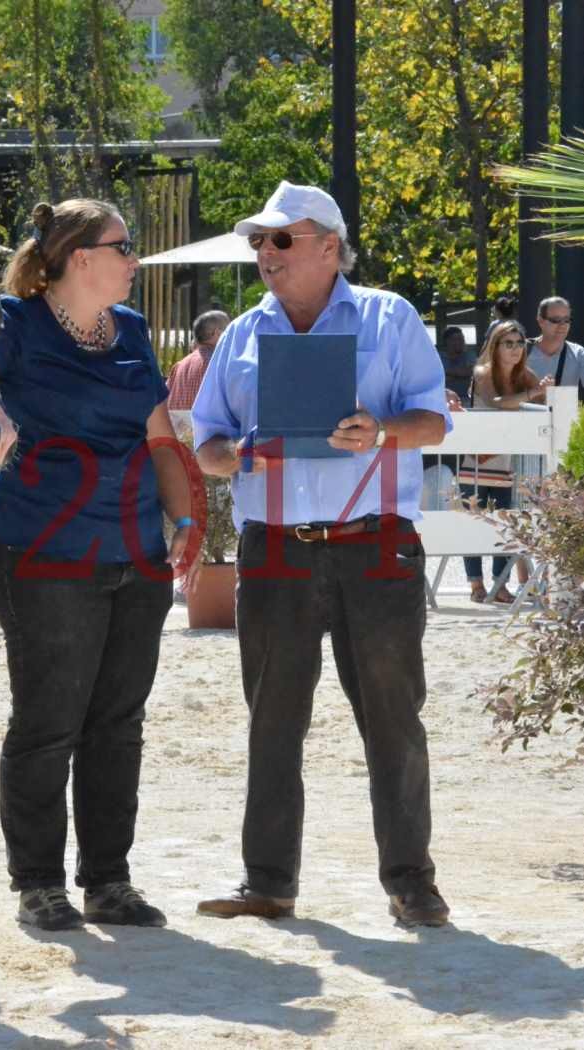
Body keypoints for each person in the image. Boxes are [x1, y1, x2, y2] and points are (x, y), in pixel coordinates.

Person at [191, 181, 454, 927]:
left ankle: (412, 883)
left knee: (392, 718)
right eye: (256, 242)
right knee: (271, 720)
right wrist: (235, 455)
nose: (263, 254)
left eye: (279, 239)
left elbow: (432, 421)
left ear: (329, 246)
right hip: (272, 550)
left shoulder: (389, 315)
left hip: (375, 545)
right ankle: (267, 883)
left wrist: (380, 430)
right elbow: (204, 443)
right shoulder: (240, 334)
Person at [0, 200, 194, 932]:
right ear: (80, 258)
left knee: (117, 723)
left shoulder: (130, 330)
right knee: (48, 721)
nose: (135, 260)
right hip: (40, 552)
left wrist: (188, 516)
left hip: (136, 554)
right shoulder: (11, 324)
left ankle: (108, 880)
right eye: (123, 246)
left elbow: (159, 438)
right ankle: (37, 883)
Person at [459, 320, 543, 604]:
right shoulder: (482, 372)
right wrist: (533, 393)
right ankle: (476, 585)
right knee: (473, 526)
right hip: (476, 461)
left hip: (506, 464)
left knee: (505, 527)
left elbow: (545, 402)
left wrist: (545, 392)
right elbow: (495, 402)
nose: (516, 349)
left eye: (520, 343)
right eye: (509, 343)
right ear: (495, 346)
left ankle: (500, 584)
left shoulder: (525, 374)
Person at [165, 309, 229, 411]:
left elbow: (164, 400)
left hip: (178, 426)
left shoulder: (179, 366)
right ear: (217, 333)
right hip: (210, 426)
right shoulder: (221, 365)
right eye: (229, 331)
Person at [526, 296, 580, 390]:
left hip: (563, 404)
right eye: (556, 320)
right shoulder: (521, 351)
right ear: (540, 321)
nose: (562, 325)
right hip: (522, 404)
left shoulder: (578, 354)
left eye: (567, 320)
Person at [438, 325, 475, 402]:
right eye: (455, 339)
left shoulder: (469, 355)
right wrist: (459, 375)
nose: (460, 342)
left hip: (466, 399)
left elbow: (470, 372)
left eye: (462, 339)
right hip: (444, 400)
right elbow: (436, 378)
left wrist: (445, 372)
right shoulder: (438, 357)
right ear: (447, 341)